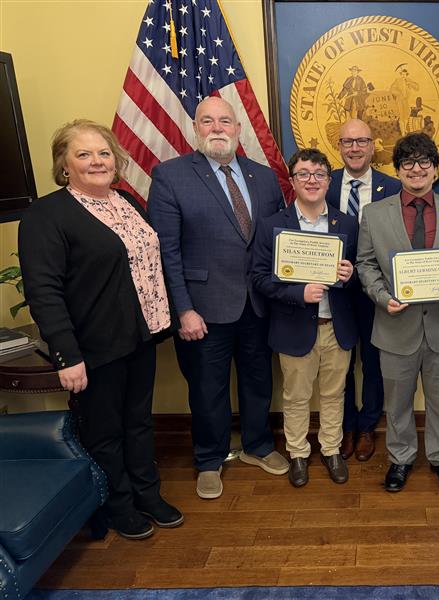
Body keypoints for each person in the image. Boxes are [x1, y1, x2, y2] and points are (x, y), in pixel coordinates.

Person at [18, 120, 182, 540]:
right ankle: (118, 505)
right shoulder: (46, 215)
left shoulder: (126, 201)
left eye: (104, 153)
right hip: (94, 347)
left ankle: (148, 494)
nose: (96, 162)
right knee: (105, 432)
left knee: (139, 422)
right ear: (64, 165)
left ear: (117, 160)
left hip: (140, 336)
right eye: (84, 154)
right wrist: (67, 355)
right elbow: (44, 290)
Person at [148, 97, 287, 500]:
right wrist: (184, 310)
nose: (217, 128)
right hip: (203, 309)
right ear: (195, 129)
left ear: (239, 129)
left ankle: (258, 445)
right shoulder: (171, 176)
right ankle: (209, 458)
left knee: (258, 380)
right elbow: (166, 252)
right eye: (207, 121)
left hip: (258, 304)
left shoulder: (263, 177)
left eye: (225, 121)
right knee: (207, 388)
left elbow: (276, 241)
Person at [356, 132, 439, 493]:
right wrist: (380, 296)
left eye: (424, 162)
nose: (417, 169)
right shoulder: (374, 214)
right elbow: (365, 263)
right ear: (398, 169)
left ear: (435, 168)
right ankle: (401, 458)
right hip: (394, 325)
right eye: (408, 163)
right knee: (398, 402)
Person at [252, 149, 358, 487]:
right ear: (293, 181)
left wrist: (350, 273)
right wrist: (298, 293)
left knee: (334, 394)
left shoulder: (347, 223)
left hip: (336, 327)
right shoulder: (272, 225)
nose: (311, 180)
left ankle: (331, 449)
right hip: (293, 326)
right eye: (303, 174)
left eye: (318, 174)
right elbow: (259, 278)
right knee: (296, 397)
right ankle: (298, 452)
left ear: (329, 180)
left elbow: (359, 275)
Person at [325, 118, 402, 462]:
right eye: (347, 142)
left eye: (362, 141)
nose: (354, 148)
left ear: (373, 147)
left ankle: (368, 426)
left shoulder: (394, 188)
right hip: (335, 291)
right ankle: (344, 427)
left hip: (376, 292)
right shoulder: (323, 185)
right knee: (340, 363)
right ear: (339, 147)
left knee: (373, 363)